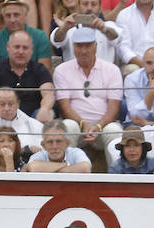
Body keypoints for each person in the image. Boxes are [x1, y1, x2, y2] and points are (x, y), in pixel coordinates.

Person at [54, 26, 123, 167]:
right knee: (68, 126)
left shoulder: (112, 70)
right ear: (73, 47)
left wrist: (98, 126)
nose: (84, 50)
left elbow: (114, 108)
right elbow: (64, 106)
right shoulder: (62, 70)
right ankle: (66, 178)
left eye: (88, 46)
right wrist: (83, 124)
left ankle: (117, 181)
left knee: (114, 130)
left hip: (103, 126)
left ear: (96, 46)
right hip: (77, 126)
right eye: (79, 46)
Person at [0, 29, 54, 119]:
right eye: (17, 47)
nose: (20, 52)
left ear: (31, 50)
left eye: (25, 48)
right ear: (8, 47)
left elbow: (48, 94)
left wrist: (45, 109)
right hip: (2, 117)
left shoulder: (40, 69)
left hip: (35, 120)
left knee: (49, 113)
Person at [0, 0, 51, 69]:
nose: (12, 20)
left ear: (25, 15)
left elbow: (45, 71)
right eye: (8, 15)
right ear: (3, 17)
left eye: (16, 15)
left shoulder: (40, 37)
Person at [115, 0, 154, 75]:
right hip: (134, 64)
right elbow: (123, 47)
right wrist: (144, 65)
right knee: (132, 70)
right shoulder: (124, 15)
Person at [50, 0, 120, 63]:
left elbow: (117, 37)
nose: (89, 8)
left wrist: (104, 30)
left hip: (104, 75)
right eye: (85, 4)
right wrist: (64, 28)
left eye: (94, 4)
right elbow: (56, 40)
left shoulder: (108, 25)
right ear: (78, 6)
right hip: (73, 75)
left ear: (99, 8)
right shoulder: (68, 26)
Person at [26, 117, 92, 172]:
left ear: (67, 143)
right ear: (43, 145)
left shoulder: (76, 152)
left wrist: (50, 170)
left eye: (59, 141)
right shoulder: (39, 155)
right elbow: (33, 168)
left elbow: (85, 168)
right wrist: (66, 165)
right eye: (50, 142)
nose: (54, 146)